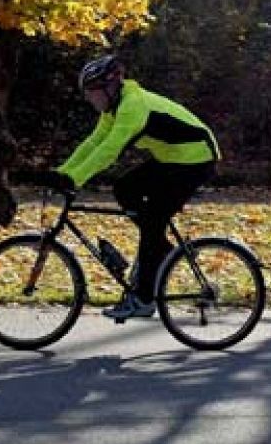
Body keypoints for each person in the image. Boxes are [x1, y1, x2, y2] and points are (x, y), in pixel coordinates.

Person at [47, 54, 219, 320]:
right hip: (173, 159)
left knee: (152, 223)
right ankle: (162, 249)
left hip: (196, 160)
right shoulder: (114, 107)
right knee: (125, 189)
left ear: (110, 87)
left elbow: (109, 150)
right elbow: (94, 143)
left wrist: (75, 179)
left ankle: (144, 298)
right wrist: (62, 173)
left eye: (93, 92)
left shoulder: (133, 106)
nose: (90, 99)